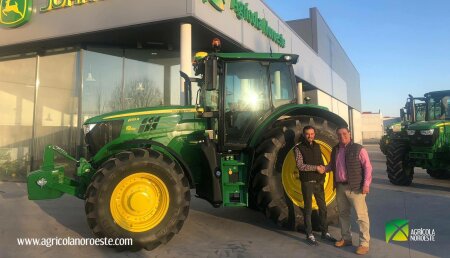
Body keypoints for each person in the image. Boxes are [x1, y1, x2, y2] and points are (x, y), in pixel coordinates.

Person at [324, 126, 372, 255]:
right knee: (343, 214)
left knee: (361, 216)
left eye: (344, 134)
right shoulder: (335, 150)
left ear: (349, 134)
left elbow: (367, 167)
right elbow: (332, 165)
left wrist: (366, 184)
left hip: (355, 188)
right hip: (340, 187)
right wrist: (323, 168)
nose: (342, 136)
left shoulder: (358, 149)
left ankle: (364, 243)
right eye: (339, 135)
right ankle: (346, 238)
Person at [294, 125, 336, 246]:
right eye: (308, 134)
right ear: (304, 135)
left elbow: (320, 161)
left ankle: (325, 232)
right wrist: (316, 168)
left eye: (312, 134)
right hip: (307, 182)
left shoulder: (317, 146)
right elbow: (300, 166)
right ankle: (309, 234)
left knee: (323, 208)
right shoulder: (298, 148)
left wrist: (323, 169)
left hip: (319, 181)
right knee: (307, 209)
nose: (310, 136)